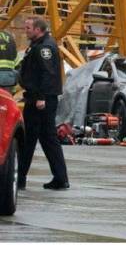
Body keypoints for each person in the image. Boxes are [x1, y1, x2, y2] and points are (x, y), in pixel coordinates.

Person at [18, 17, 70, 190]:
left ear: (38, 29)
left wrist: (41, 97)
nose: (25, 31)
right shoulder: (38, 44)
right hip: (38, 98)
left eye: (28, 28)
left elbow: (47, 74)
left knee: (32, 138)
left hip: (40, 100)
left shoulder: (44, 47)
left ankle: (20, 178)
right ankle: (59, 178)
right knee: (45, 139)